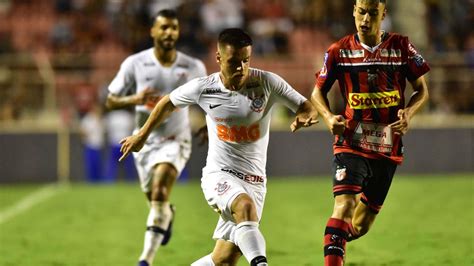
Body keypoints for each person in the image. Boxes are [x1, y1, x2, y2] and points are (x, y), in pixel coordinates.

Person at [119, 28, 318, 266]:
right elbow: (166, 103)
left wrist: (306, 116)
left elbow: (307, 106)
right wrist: (142, 135)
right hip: (219, 175)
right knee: (244, 206)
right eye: (234, 62)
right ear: (219, 58)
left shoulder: (266, 82)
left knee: (223, 260)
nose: (241, 68)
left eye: (246, 61)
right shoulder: (205, 88)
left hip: (255, 181)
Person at [310, 0, 430, 265]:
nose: (365, 19)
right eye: (361, 12)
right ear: (354, 11)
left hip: (388, 146)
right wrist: (328, 117)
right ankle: (334, 247)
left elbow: (422, 90)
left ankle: (335, 237)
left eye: (372, 14)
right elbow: (317, 91)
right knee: (344, 206)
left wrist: (408, 113)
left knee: (361, 225)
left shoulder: (401, 47)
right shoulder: (339, 51)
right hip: (351, 141)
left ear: (383, 14)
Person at [105, 9, 207, 266]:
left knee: (161, 191)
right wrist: (135, 99)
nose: (169, 32)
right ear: (152, 31)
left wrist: (208, 123)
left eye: (173, 28)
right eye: (163, 27)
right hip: (143, 141)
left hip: (176, 138)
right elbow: (110, 100)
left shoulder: (193, 66)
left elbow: (208, 100)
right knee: (156, 202)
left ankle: (145, 260)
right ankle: (167, 215)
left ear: (178, 32)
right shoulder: (135, 63)